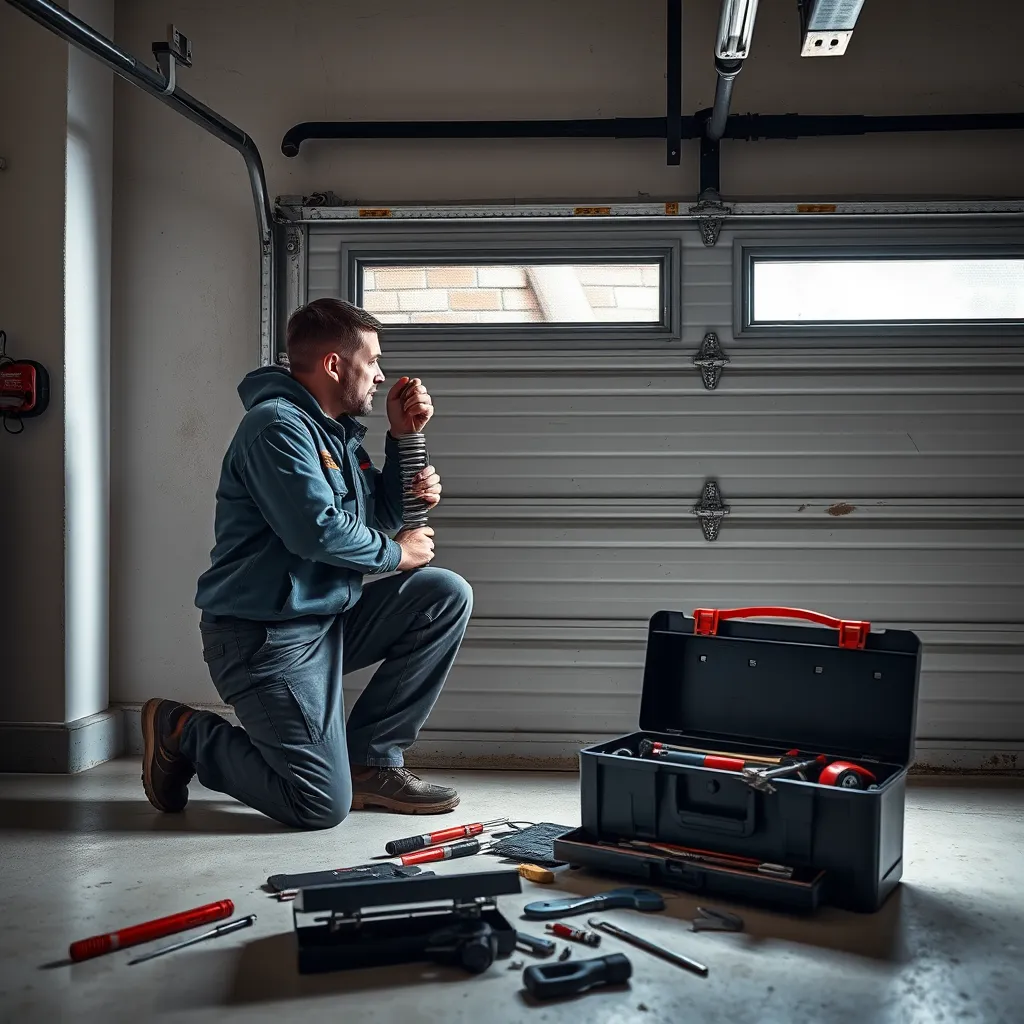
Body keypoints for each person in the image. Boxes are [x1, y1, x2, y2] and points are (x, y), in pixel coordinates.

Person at [140, 298, 472, 829]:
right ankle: (184, 731)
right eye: (373, 361)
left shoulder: (333, 431)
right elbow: (316, 532)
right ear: (335, 364)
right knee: (317, 805)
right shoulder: (276, 428)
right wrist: (398, 554)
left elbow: (381, 514)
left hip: (324, 621)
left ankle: (370, 762)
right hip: (265, 640)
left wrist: (407, 440)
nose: (381, 374)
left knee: (443, 594)